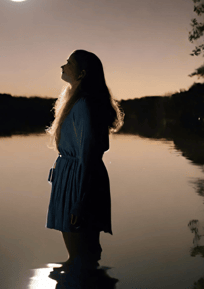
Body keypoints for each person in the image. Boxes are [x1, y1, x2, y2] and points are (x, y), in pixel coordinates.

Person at [45, 49, 124, 271]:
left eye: (68, 63)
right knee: (80, 256)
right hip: (72, 178)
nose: (62, 66)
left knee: (81, 256)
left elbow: (88, 155)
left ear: (81, 73)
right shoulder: (76, 101)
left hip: (80, 182)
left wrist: (80, 201)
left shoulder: (85, 105)